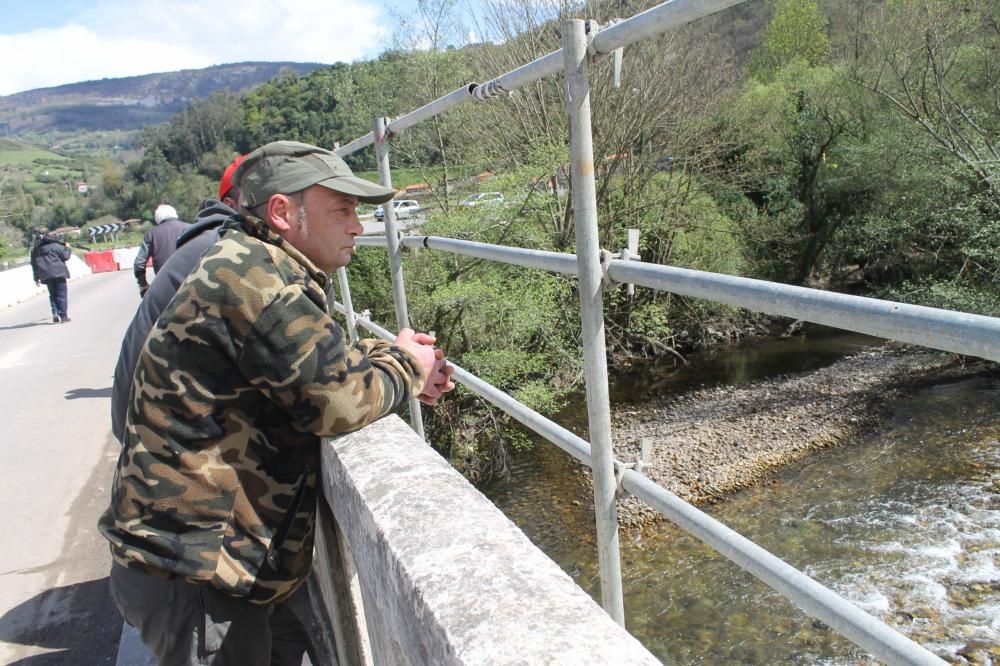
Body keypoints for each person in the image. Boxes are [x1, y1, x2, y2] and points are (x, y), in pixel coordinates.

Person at [100, 140, 454, 665]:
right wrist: (407, 366)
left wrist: (392, 358)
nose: (358, 226)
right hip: (198, 573)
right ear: (284, 212)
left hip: (215, 567)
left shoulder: (253, 262)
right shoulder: (252, 278)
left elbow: (317, 361)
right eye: (343, 209)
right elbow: (337, 400)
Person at [110, 154, 246, 443]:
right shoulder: (226, 249)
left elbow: (138, 263)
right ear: (232, 205)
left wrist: (143, 285)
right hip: (159, 442)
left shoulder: (176, 236)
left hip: (133, 420)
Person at [133, 203, 190, 296]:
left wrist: (143, 286)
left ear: (157, 219)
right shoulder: (191, 228)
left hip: (164, 289)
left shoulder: (151, 234)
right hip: (191, 283)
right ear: (175, 214)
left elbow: (139, 264)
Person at [30, 230, 72, 323]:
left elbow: (34, 265)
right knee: (61, 295)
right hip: (59, 273)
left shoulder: (36, 251)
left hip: (46, 275)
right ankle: (64, 317)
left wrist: (36, 278)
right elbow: (66, 256)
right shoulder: (57, 246)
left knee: (53, 295)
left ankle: (55, 313)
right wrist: (68, 248)